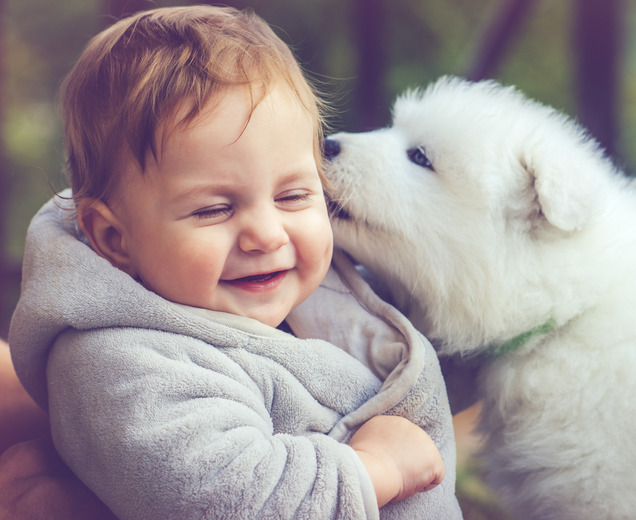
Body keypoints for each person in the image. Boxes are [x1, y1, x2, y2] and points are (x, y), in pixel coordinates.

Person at [9, 6, 462, 519]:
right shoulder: (120, 364)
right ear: (115, 239)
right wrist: (372, 469)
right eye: (214, 209)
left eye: (293, 196)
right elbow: (224, 500)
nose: (267, 235)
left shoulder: (326, 292)